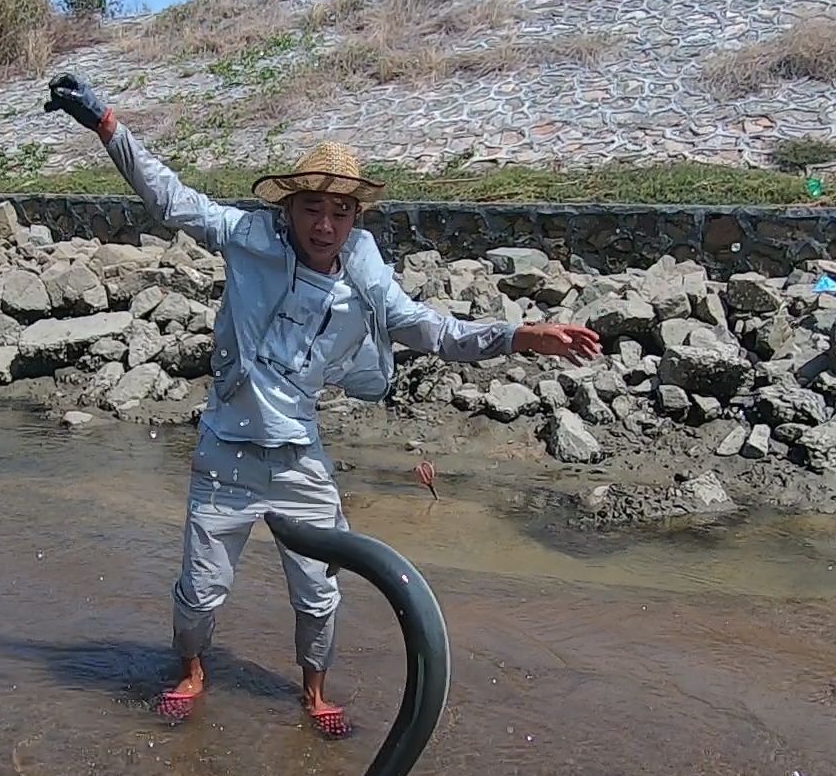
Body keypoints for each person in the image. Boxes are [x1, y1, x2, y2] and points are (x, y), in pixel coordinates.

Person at [44, 72, 600, 739]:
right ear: (291, 209)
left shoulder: (366, 283)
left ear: (355, 219)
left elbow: (432, 329)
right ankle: (192, 671)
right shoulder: (249, 238)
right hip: (227, 451)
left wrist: (517, 335)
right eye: (312, 208)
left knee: (320, 593)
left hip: (301, 461)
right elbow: (172, 199)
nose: (324, 224)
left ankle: (314, 691)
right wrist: (108, 125)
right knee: (199, 594)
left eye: (340, 213)